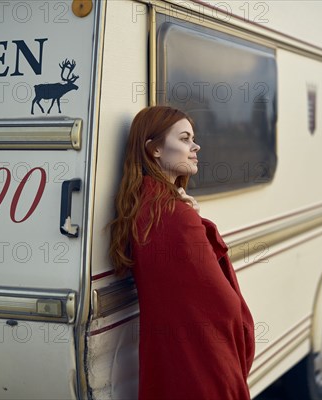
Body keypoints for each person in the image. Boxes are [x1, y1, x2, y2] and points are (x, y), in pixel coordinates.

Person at [109, 106, 255, 400]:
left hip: (168, 362)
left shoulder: (143, 208)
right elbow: (224, 305)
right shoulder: (175, 216)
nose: (195, 146)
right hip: (203, 367)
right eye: (185, 138)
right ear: (155, 150)